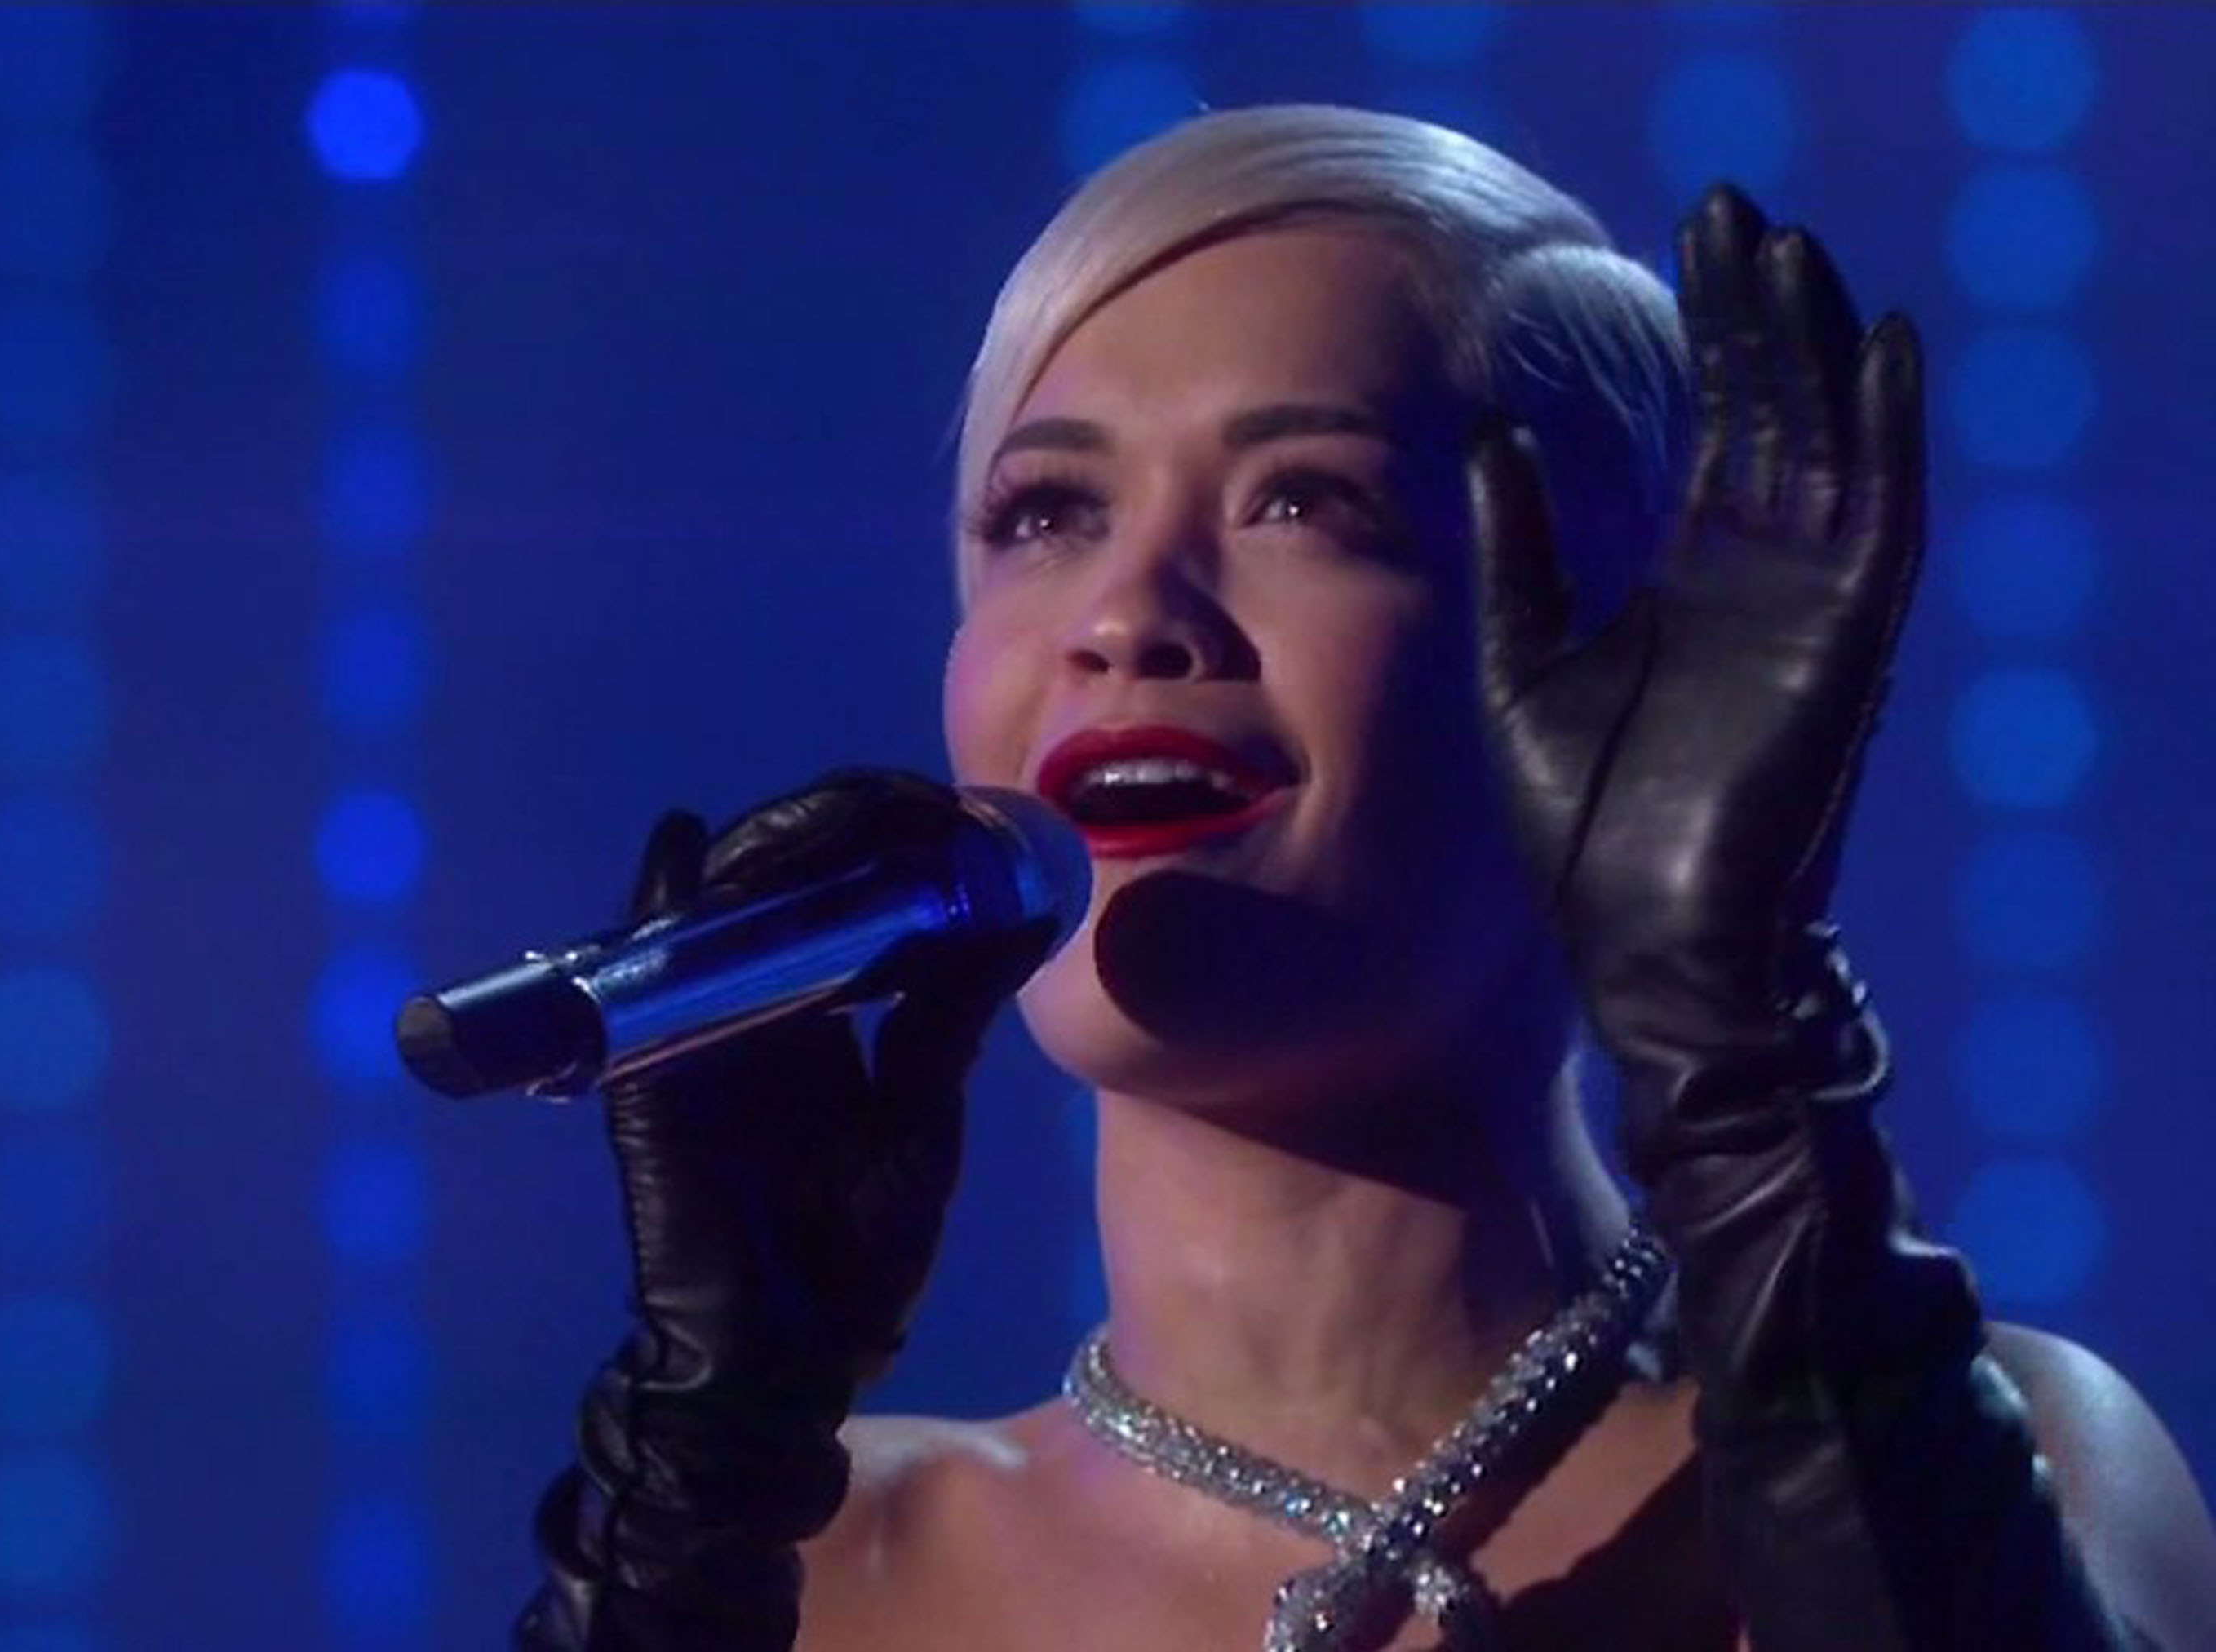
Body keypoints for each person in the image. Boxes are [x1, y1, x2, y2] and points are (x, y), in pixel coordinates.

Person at [507, 105, 2216, 1650]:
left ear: (1633, 684)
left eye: (1304, 501)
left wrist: (1738, 1041)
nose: (1128, 611)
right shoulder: (807, 1570)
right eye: (1046, 514)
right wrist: (699, 1470)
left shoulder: (1985, 1461)